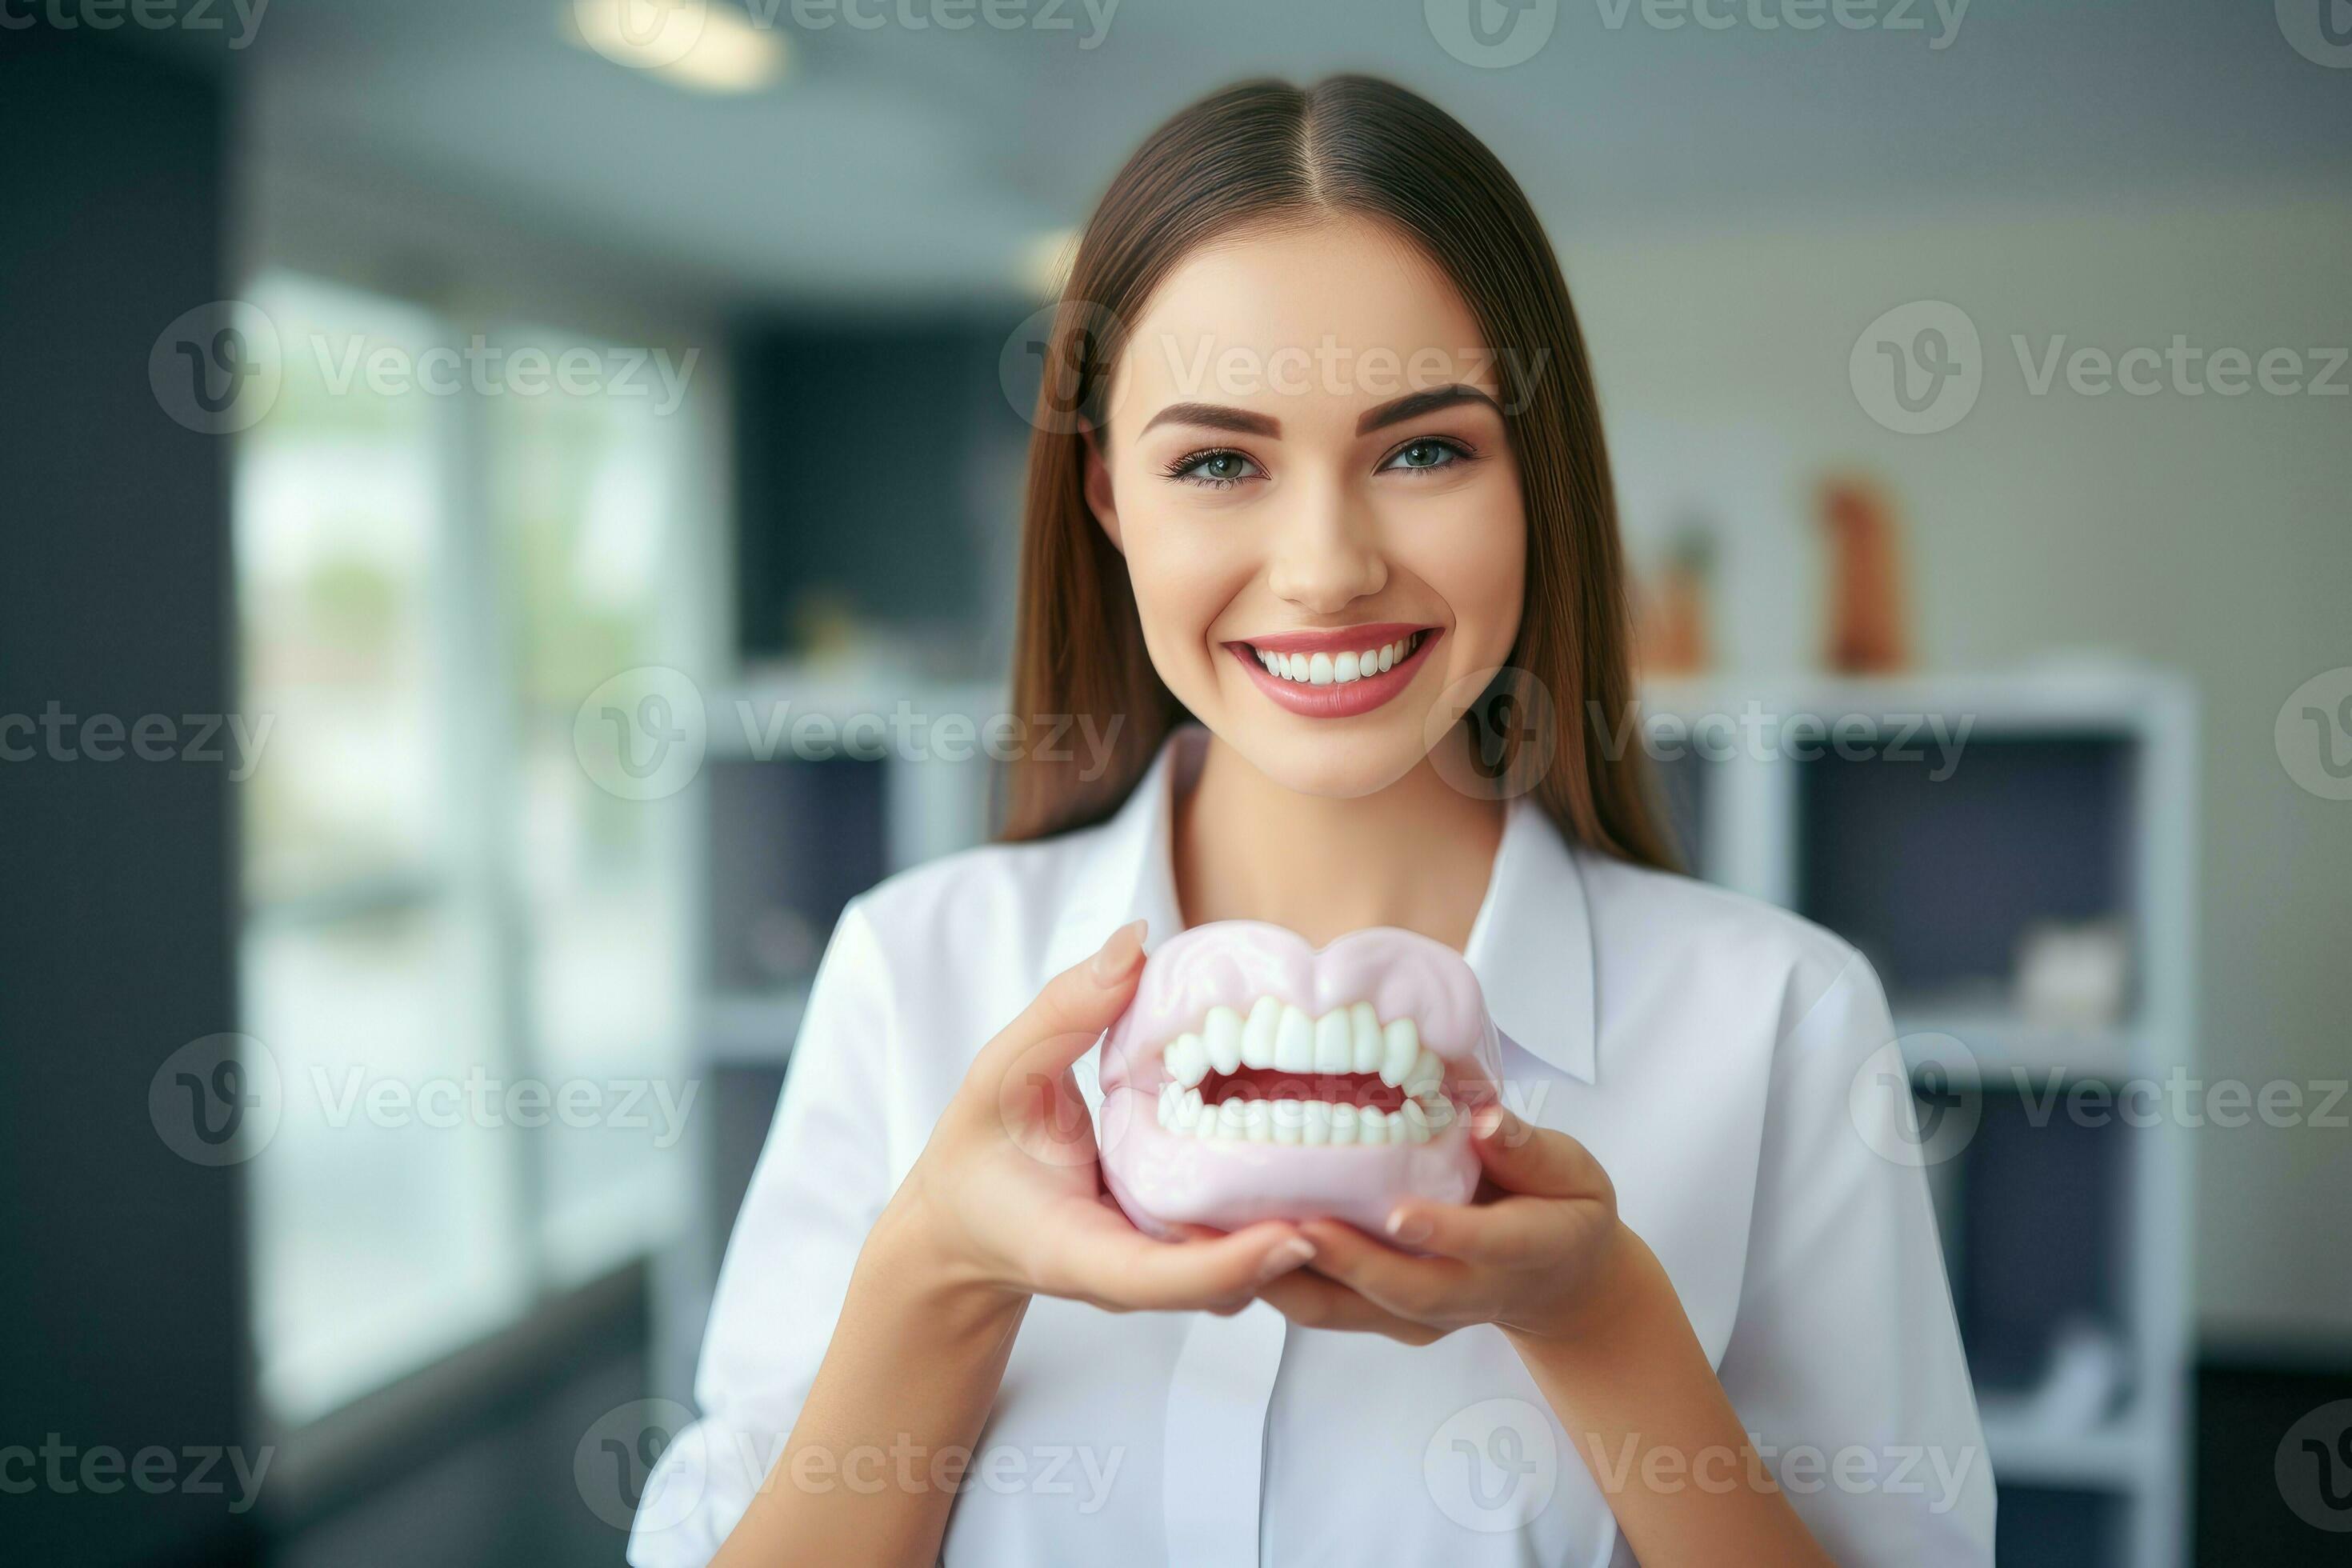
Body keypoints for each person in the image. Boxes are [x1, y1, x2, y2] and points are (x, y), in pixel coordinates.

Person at [630, 74, 1993, 1567]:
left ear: (1534, 483)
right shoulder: (910, 975)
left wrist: (1601, 1322)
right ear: (1107, 498)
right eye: (1219, 461)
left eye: (1424, 450)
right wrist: (940, 1275)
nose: (1327, 566)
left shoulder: (1783, 1023)